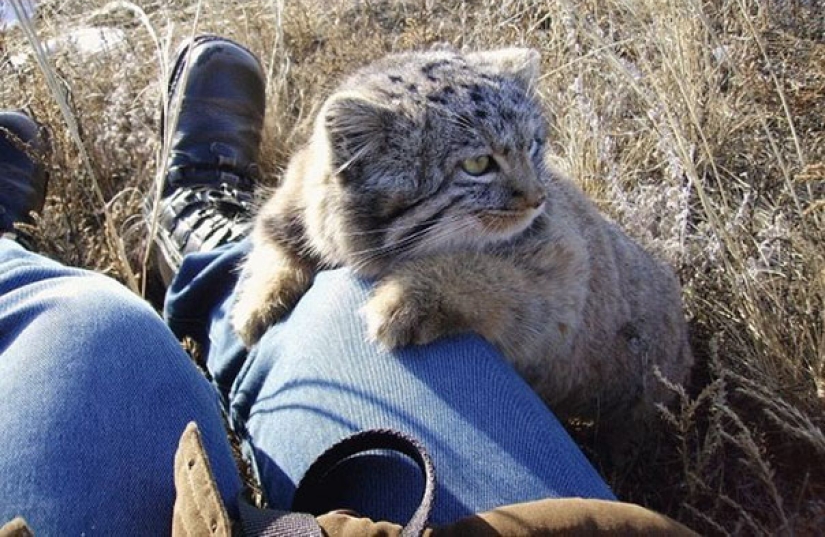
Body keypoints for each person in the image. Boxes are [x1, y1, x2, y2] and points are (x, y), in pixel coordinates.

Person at [0, 36, 619, 535]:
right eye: (481, 166)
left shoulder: (531, 218)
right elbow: (297, 211)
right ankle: (214, 266)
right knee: (318, 290)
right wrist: (283, 256)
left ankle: (163, 254)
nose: (532, 194)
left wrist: (449, 290)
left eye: (534, 150)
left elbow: (558, 287)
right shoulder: (358, 166)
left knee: (88, 324)